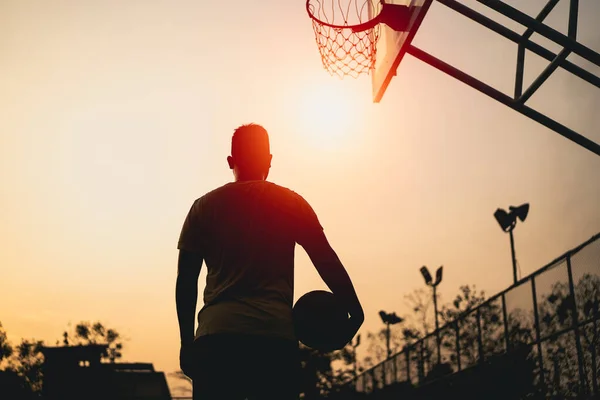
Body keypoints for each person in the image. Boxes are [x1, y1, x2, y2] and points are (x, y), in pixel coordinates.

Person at [176, 123, 364, 400]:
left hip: (216, 338)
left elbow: (186, 280)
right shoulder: (291, 203)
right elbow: (326, 259)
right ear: (270, 160)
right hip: (273, 337)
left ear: (231, 162)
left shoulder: (203, 206)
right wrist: (355, 310)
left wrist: (186, 341)